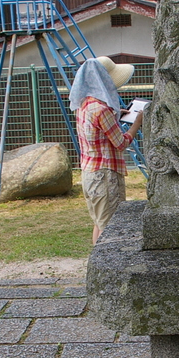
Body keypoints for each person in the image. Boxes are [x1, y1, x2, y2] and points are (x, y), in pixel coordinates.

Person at [69, 56, 143, 244]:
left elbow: (97, 128)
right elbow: (121, 143)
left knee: (99, 222)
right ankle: (106, 268)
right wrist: (137, 123)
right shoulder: (103, 110)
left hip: (89, 173)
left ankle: (96, 265)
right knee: (110, 227)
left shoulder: (84, 105)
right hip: (105, 176)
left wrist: (117, 113)